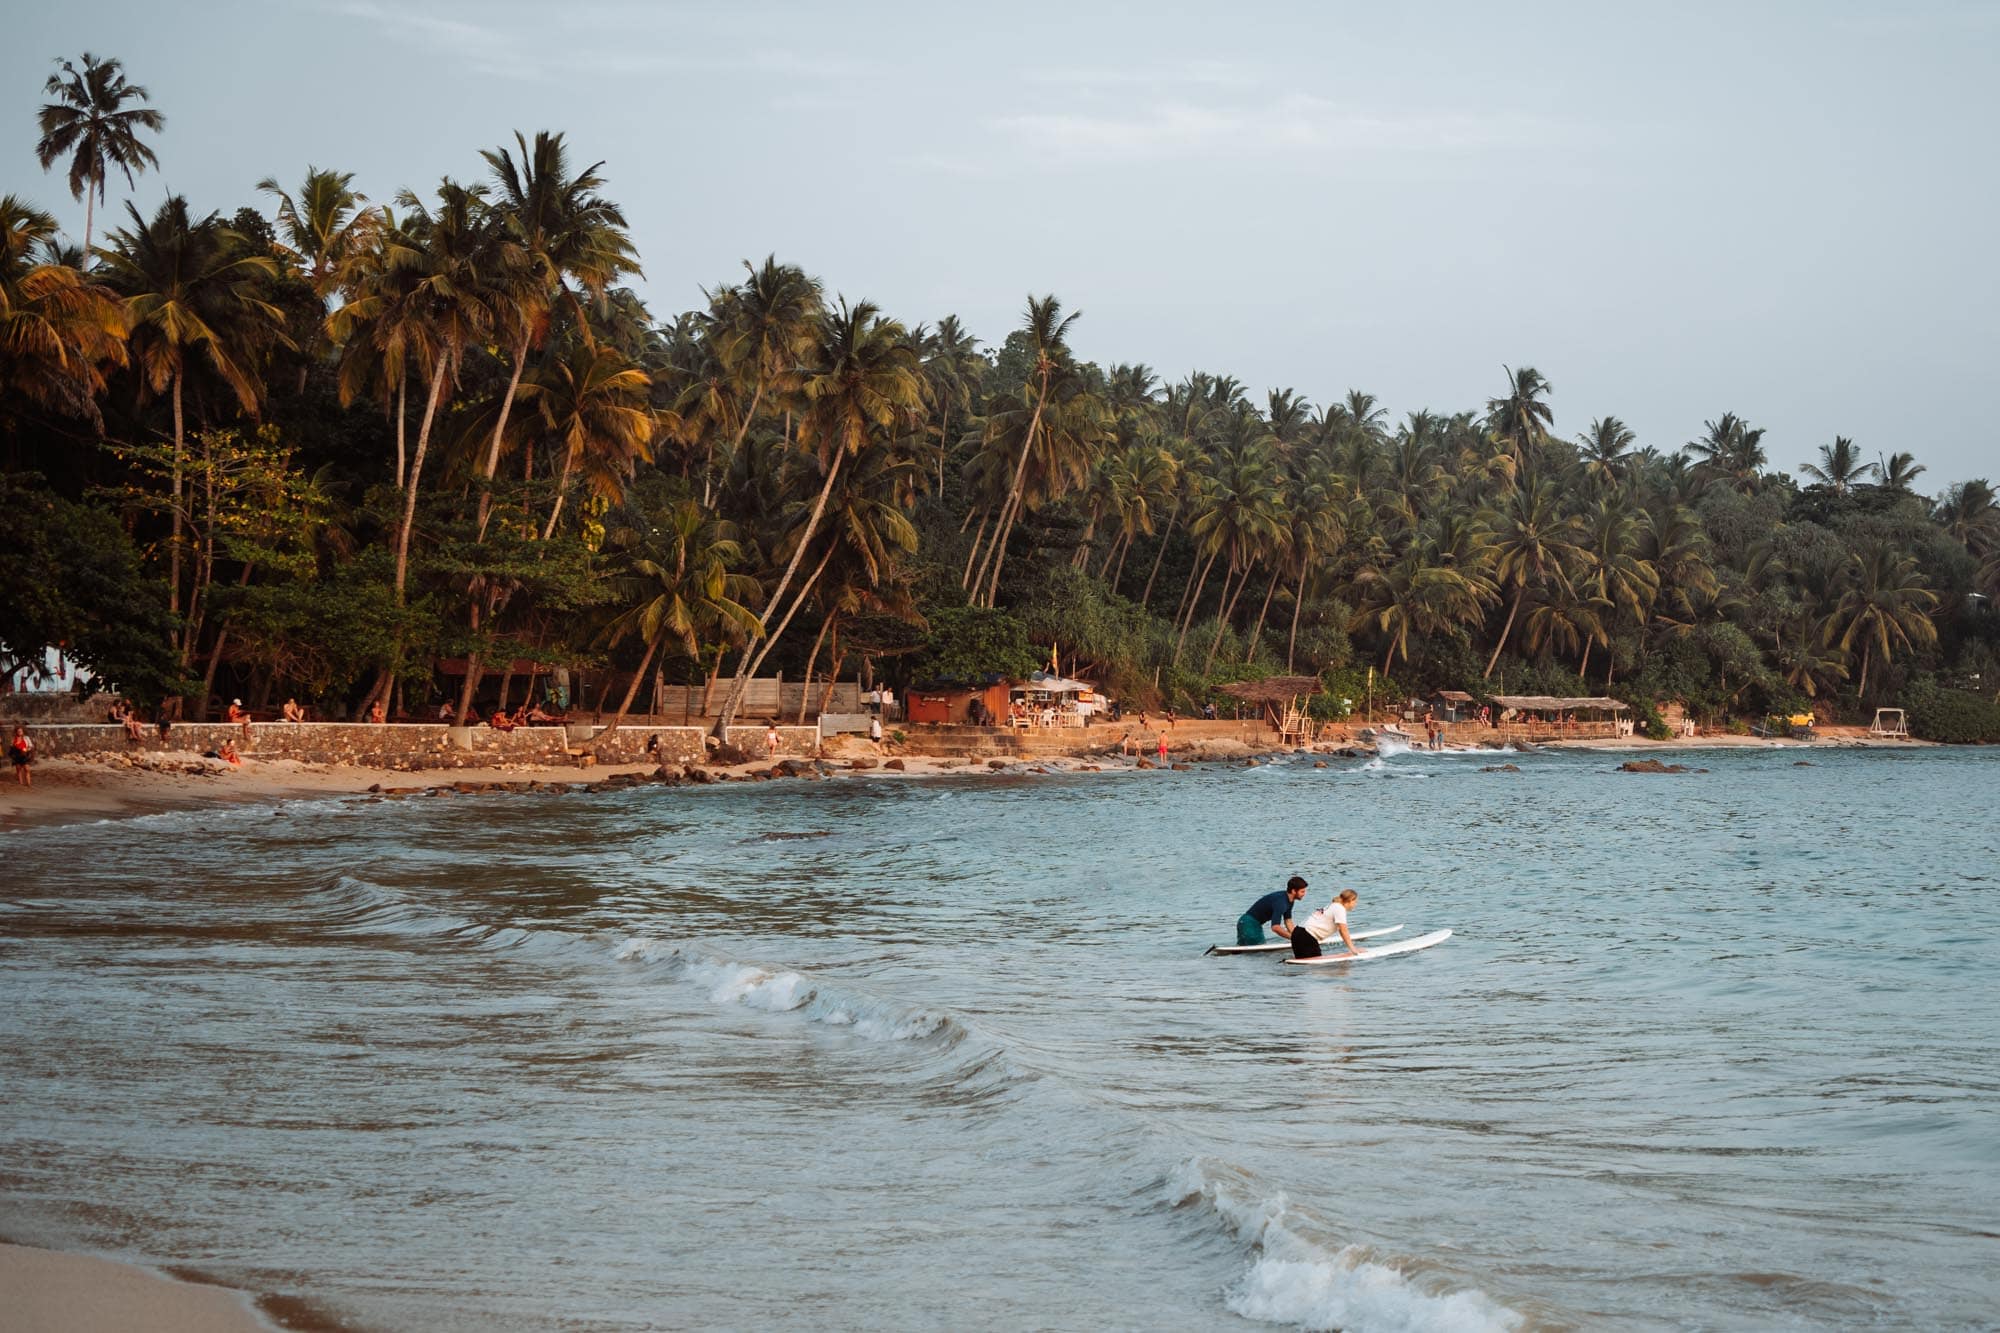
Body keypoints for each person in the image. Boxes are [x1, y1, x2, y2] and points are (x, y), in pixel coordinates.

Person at [1290, 889, 1362, 960]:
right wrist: (1353, 949)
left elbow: (1341, 930)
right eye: (1355, 901)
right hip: (1306, 936)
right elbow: (1343, 930)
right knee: (1315, 966)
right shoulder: (1340, 909)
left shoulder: (1334, 905)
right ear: (1350, 900)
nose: (1356, 904)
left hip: (1297, 933)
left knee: (1303, 966)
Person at [1236, 876, 1309, 947]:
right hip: (1248, 924)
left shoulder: (1290, 900)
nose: (1304, 894)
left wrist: (1296, 937)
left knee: (1244, 951)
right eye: (1302, 891)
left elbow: (1288, 921)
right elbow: (1275, 927)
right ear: (1293, 891)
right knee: (1259, 951)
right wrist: (1293, 939)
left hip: (1248, 923)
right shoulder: (1281, 902)